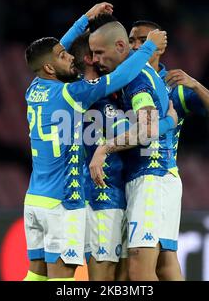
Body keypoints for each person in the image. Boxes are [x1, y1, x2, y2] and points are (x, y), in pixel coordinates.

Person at [22, 7, 167, 281]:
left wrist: (83, 20)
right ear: (51, 67)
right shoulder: (72, 93)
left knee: (36, 275)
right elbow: (120, 78)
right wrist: (147, 50)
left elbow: (50, 53)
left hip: (34, 199)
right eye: (64, 56)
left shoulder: (34, 87)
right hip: (61, 202)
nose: (71, 57)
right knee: (62, 281)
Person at [69, 33, 176, 281]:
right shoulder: (91, 96)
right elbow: (143, 127)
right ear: (87, 59)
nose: (97, 60)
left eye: (100, 53)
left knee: (132, 275)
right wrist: (168, 121)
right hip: (103, 193)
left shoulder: (122, 86)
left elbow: (125, 77)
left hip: (133, 184)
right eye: (93, 55)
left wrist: (83, 21)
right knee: (115, 276)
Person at [128, 20, 209, 280]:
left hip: (156, 178)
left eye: (141, 40)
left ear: (159, 47)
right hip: (134, 179)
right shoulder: (127, 80)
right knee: (163, 261)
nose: (134, 46)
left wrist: (195, 84)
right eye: (131, 40)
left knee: (142, 264)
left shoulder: (173, 88)